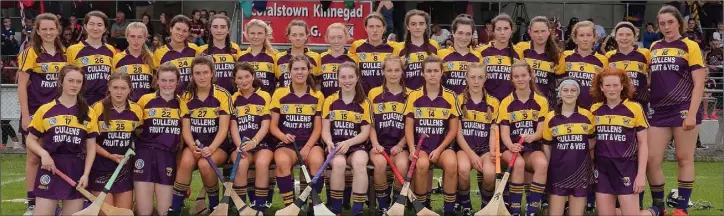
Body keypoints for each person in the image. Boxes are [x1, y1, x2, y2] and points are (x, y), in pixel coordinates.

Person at [647, 6, 707, 216]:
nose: (666, 27)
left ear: (679, 23)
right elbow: (650, 79)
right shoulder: (654, 46)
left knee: (684, 158)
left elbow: (699, 83)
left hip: (683, 108)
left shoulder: (690, 46)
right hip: (658, 111)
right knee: (651, 160)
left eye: (670, 22)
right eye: (662, 23)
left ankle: (681, 208)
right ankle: (659, 206)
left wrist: (691, 113)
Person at [25, 65, 98, 216]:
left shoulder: (89, 112)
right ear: (61, 82)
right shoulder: (45, 110)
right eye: (70, 80)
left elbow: (91, 148)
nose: (74, 85)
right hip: (50, 168)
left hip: (75, 170)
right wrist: (44, 154)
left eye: (78, 82)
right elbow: (30, 140)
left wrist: (86, 174)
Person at [16, 13, 68, 215]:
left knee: (57, 157)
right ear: (37, 31)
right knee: (34, 158)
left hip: (60, 113)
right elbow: (21, 85)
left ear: (57, 30)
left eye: (51, 28)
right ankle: (31, 203)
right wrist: (26, 115)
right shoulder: (30, 52)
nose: (48, 32)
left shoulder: (65, 53)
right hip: (37, 112)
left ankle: (54, 198)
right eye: (44, 29)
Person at [168, 56, 233, 215]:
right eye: (197, 73)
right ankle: (175, 208)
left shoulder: (223, 95)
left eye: (205, 72)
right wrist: (191, 145)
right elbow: (186, 128)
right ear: (192, 75)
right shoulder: (186, 96)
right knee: (185, 161)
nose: (202, 77)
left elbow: (224, 129)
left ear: (212, 73)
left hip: (217, 145)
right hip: (195, 143)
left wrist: (211, 148)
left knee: (205, 164)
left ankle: (214, 205)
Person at [590, 67, 659, 216]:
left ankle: (651, 213)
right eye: (607, 85)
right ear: (601, 87)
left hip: (626, 167)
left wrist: (641, 175)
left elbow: (643, 144)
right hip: (602, 168)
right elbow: (591, 141)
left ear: (622, 86)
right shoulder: (594, 110)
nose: (612, 89)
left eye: (615, 85)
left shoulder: (634, 108)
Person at [404, 55, 459, 214]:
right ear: (422, 73)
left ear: (442, 72)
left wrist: (440, 149)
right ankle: (422, 206)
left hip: (442, 146)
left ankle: (448, 208)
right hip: (420, 147)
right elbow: (408, 127)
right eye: (429, 71)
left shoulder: (450, 96)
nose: (432, 74)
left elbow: (453, 130)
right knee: (421, 165)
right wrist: (412, 149)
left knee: (451, 163)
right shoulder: (414, 95)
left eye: (436, 71)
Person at [270, 55, 325, 208]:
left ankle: (313, 204)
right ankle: (290, 206)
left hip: (310, 143)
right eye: (296, 69)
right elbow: (273, 126)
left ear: (309, 71)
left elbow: (318, 128)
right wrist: (283, 136)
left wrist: (307, 147)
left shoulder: (317, 95)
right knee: (282, 162)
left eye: (303, 69)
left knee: (316, 162)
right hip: (287, 144)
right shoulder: (280, 93)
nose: (299, 72)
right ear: (290, 72)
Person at [497, 60, 549, 215]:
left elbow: (541, 131)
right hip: (510, 148)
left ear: (531, 76)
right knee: (518, 163)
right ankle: (515, 210)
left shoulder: (541, 101)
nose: (520, 79)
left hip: (531, 147)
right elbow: (504, 133)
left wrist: (532, 137)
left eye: (523, 75)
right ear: (511, 79)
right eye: (516, 76)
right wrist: (511, 146)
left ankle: (532, 209)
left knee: (542, 163)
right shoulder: (506, 102)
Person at [133, 63, 185, 216]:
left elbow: (184, 134)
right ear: (157, 80)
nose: (167, 84)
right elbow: (136, 127)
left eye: (171, 80)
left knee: (165, 212)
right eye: (163, 80)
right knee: (144, 212)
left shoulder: (182, 103)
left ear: (177, 81)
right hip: (144, 155)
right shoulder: (145, 100)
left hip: (167, 157)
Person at [322, 62, 372, 216]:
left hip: (356, 145)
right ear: (338, 79)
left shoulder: (364, 103)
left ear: (357, 78)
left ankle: (357, 210)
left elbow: (365, 133)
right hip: (336, 145)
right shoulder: (330, 101)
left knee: (359, 163)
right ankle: (337, 209)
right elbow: (325, 130)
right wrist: (329, 142)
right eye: (343, 77)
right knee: (338, 163)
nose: (347, 80)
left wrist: (349, 142)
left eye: (351, 76)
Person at [88, 72, 142, 210]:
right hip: (101, 168)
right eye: (115, 87)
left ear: (130, 89)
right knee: (106, 212)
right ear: (109, 88)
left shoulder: (136, 110)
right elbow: (89, 142)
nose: (119, 92)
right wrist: (109, 155)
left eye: (123, 88)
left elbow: (139, 136)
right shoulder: (97, 108)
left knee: (122, 212)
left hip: (123, 170)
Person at [541, 77, 595, 216]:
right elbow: (547, 145)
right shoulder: (551, 117)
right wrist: (549, 166)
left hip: (580, 172)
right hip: (558, 172)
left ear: (578, 93)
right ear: (560, 93)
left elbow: (592, 141)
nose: (569, 93)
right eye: (565, 90)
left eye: (573, 90)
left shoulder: (587, 115)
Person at [454, 62, 499, 216]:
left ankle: (485, 206)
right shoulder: (458, 100)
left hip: (485, 149)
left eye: (480, 77)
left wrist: (492, 151)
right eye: (472, 77)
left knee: (489, 173)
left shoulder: (493, 102)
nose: (476, 81)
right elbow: (457, 133)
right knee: (464, 169)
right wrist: (472, 155)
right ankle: (466, 205)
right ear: (466, 78)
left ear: (485, 78)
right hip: (465, 148)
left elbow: (494, 130)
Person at [368, 55, 411, 214]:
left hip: (400, 145)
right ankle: (383, 204)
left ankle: (395, 204)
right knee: (379, 164)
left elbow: (410, 127)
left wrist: (401, 145)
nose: (393, 74)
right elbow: (370, 124)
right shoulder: (374, 93)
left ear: (402, 72)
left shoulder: (410, 95)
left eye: (397, 70)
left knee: (402, 166)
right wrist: (375, 144)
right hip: (379, 145)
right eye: (389, 70)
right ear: (383, 72)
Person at [229, 62, 272, 213]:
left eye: (247, 76)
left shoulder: (264, 96)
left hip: (262, 143)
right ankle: (241, 206)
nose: (244, 81)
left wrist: (254, 141)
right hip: (240, 144)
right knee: (240, 163)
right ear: (235, 80)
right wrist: (239, 144)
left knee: (261, 163)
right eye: (239, 78)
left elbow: (266, 124)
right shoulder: (233, 98)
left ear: (253, 76)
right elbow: (233, 126)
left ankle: (259, 205)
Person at [67, 11, 118, 105]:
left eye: (99, 25)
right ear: (85, 27)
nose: (95, 28)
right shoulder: (72, 50)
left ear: (105, 28)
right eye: (91, 24)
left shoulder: (111, 50)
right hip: (82, 103)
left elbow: (114, 78)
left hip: (106, 103)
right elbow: (67, 79)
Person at [556, 20, 609, 109]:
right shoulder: (565, 56)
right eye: (581, 35)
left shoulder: (603, 59)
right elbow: (557, 81)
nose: (585, 39)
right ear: (575, 38)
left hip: (593, 110)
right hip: (568, 109)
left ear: (594, 38)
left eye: (589, 35)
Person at [606, 21, 651, 117]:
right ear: (615, 37)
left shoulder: (645, 53)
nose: (624, 38)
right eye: (621, 34)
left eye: (628, 34)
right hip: (617, 104)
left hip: (640, 103)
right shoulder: (609, 56)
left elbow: (651, 75)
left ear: (635, 37)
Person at [477, 13, 524, 101]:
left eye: (506, 28)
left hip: (509, 104)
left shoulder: (518, 52)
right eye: (498, 29)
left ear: (512, 30)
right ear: (493, 31)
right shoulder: (481, 51)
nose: (502, 33)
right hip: (487, 104)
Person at [518, 16, 562, 108]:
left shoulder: (558, 55)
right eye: (536, 31)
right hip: (521, 102)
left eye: (543, 31)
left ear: (549, 32)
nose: (540, 35)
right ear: (529, 32)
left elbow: (559, 84)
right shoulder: (520, 48)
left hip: (546, 104)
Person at [392, 10, 439, 91]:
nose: (418, 27)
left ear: (426, 25)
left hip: (429, 96)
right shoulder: (399, 47)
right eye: (413, 24)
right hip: (407, 96)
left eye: (421, 24)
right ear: (408, 26)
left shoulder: (434, 45)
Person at [349, 12, 396, 93]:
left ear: (384, 28)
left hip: (386, 96)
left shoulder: (394, 47)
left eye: (378, 26)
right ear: (366, 28)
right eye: (371, 26)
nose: (375, 30)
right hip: (363, 97)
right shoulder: (356, 46)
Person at [153, 14, 200, 93]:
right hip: (170, 99)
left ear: (188, 33)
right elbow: (156, 82)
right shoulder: (159, 53)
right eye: (178, 29)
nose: (180, 33)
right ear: (171, 29)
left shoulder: (195, 49)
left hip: (193, 98)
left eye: (184, 31)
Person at [438, 14, 483, 95]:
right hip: (447, 105)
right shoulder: (440, 54)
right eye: (460, 33)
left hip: (469, 105)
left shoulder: (478, 56)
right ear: (453, 33)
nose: (464, 37)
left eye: (468, 34)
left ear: (472, 35)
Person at [197, 14, 243, 93]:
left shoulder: (236, 49)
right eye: (215, 27)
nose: (219, 30)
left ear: (228, 30)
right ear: (210, 29)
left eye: (223, 27)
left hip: (232, 96)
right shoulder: (201, 50)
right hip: (210, 97)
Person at [112, 22, 154, 102]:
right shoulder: (118, 58)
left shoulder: (151, 58)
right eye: (132, 36)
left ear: (145, 38)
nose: (136, 40)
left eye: (140, 37)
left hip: (147, 106)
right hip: (125, 107)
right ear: (127, 37)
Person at [273, 20, 321, 88]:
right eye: (294, 35)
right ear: (289, 36)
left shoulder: (316, 57)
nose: (298, 38)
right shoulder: (279, 57)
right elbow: (276, 83)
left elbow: (318, 84)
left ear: (306, 36)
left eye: (301, 35)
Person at [237, 19, 277, 93]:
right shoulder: (240, 56)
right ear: (247, 35)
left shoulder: (274, 56)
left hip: (267, 102)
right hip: (244, 102)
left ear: (265, 35)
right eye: (252, 33)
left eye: (260, 33)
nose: (256, 36)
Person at [320, 23, 356, 97]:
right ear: (327, 38)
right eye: (332, 37)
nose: (336, 41)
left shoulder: (354, 58)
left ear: (346, 37)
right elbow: (317, 84)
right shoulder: (321, 58)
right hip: (327, 104)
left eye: (340, 37)